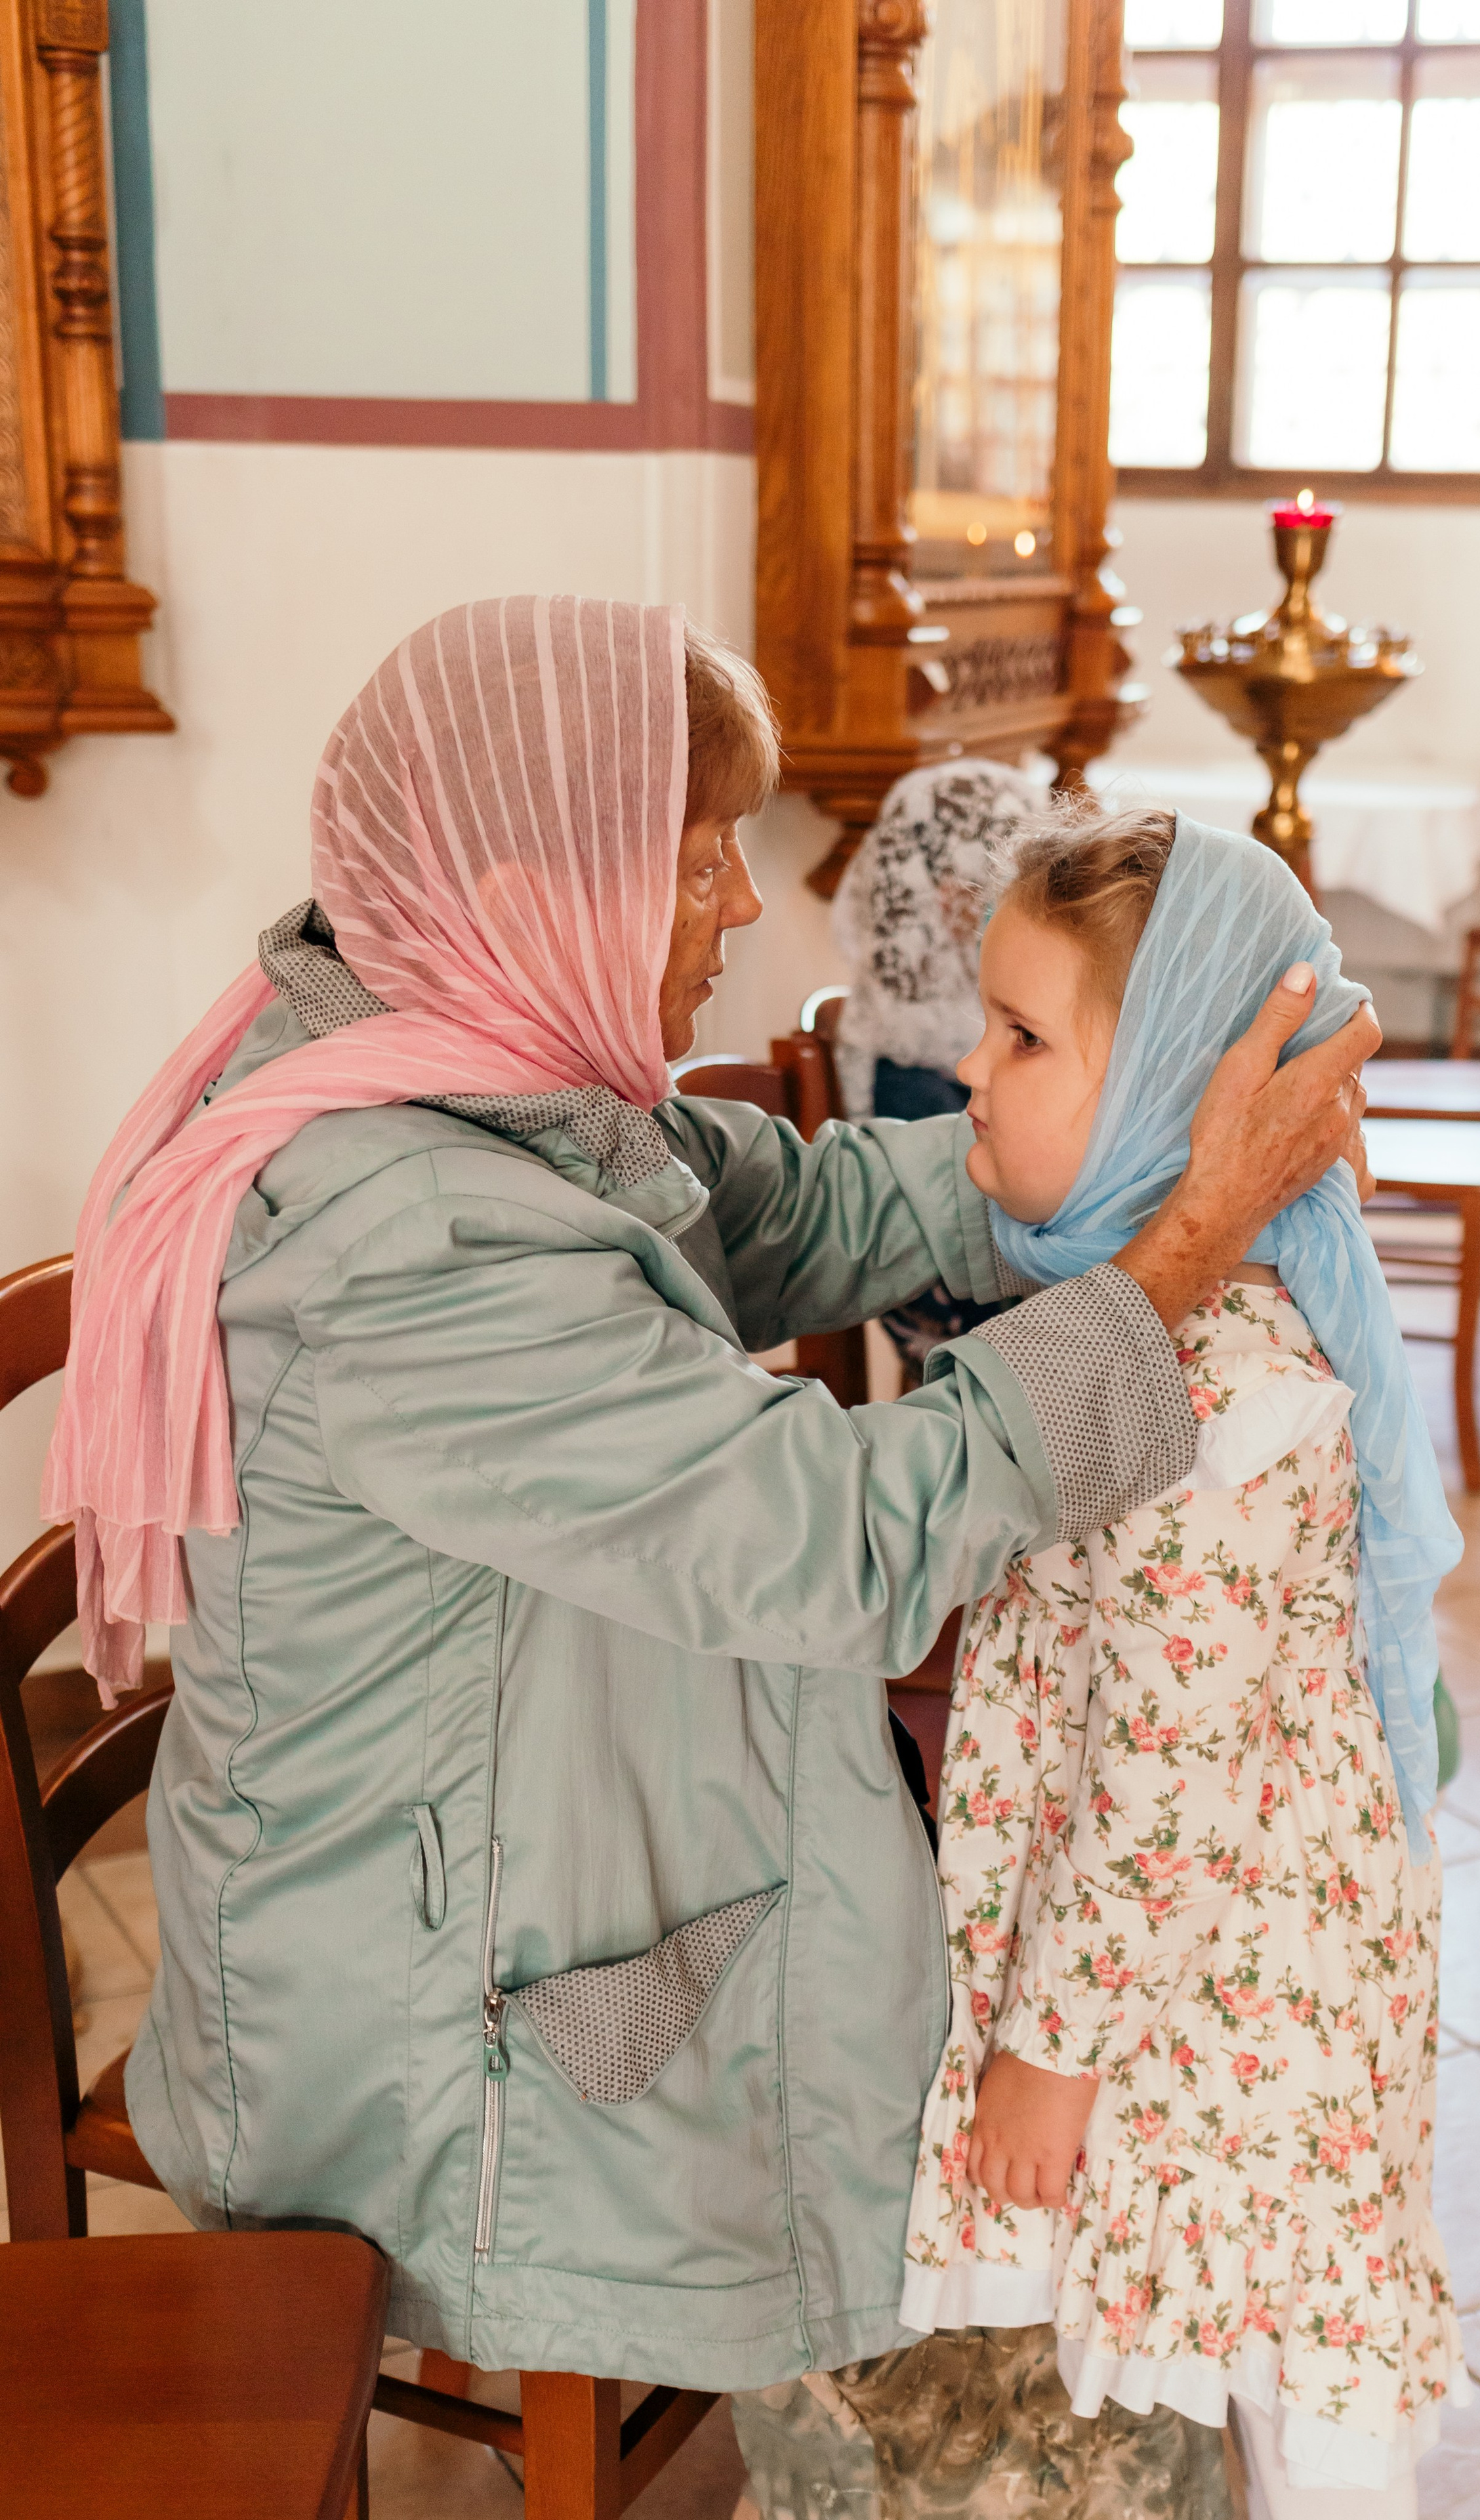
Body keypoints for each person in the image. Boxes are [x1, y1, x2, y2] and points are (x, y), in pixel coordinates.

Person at [43, 600, 1376, 2425]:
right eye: (698, 861)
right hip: (395, 2017)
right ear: (531, 890)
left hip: (430, 1869)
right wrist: (1176, 1252)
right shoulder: (404, 1231)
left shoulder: (445, 1053)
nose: (742, 907)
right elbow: (833, 1541)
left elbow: (785, 1207)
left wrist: (1099, 1141)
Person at [876, 808, 1464, 2520]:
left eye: (1025, 1037)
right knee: (1230, 2389)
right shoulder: (1137, 1323)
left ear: (1176, 1101)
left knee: (1295, 2406)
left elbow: (1160, 1787)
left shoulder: (1224, 1392)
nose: (968, 1069)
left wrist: (1048, 2055)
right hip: (1186, 1995)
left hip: (1221, 2024)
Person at [832, 759, 1040, 1383]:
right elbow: (961, 1247)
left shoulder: (984, 1023)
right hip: (970, 1327)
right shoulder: (905, 1061)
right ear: (947, 898)